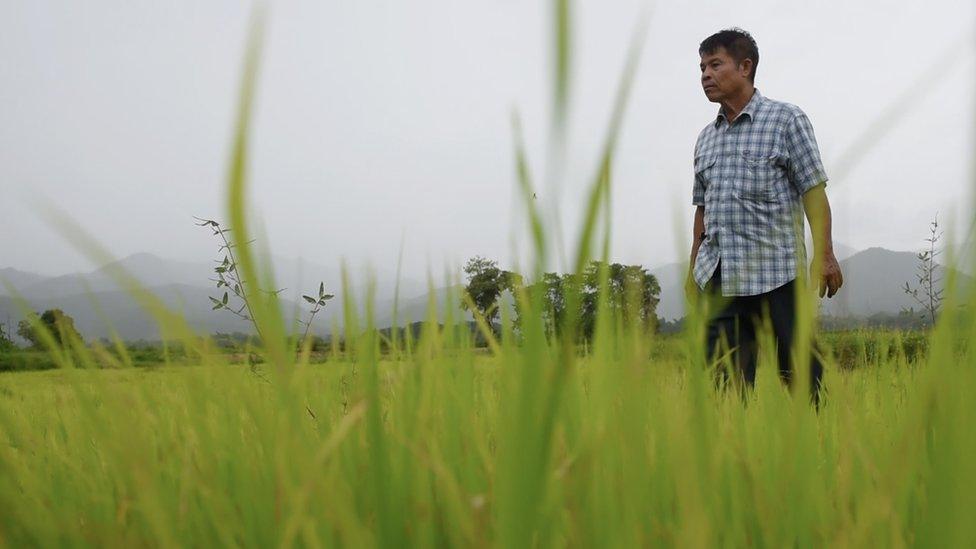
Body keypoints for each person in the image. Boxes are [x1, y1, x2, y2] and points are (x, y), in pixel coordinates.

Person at [687, 28, 843, 405]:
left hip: (776, 274)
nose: (705, 74)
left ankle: (818, 446)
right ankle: (732, 455)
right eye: (702, 67)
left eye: (715, 64)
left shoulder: (786, 120)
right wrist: (694, 269)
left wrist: (824, 254)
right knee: (724, 384)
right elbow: (702, 208)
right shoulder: (706, 138)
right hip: (720, 276)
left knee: (801, 376)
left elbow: (813, 191)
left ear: (745, 67)